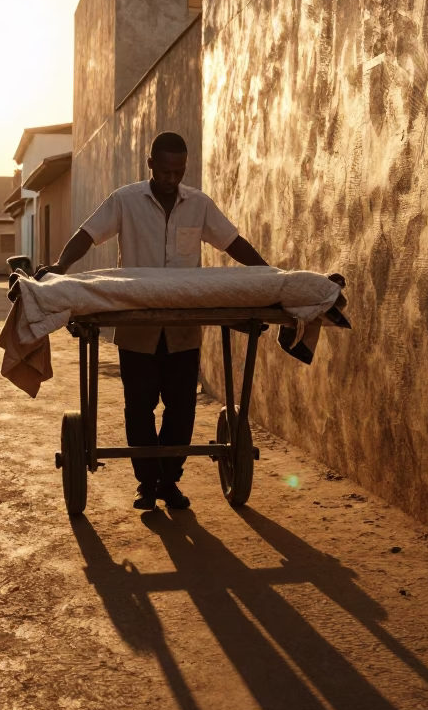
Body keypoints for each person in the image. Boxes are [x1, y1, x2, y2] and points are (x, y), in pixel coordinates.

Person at [41, 131, 268, 511]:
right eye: (164, 170)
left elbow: (231, 241)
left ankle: (169, 481)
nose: (170, 178)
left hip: (183, 332)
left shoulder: (199, 204)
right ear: (150, 165)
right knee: (139, 407)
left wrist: (267, 273)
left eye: (178, 171)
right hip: (138, 331)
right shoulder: (125, 200)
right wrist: (61, 267)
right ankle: (146, 483)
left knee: (182, 408)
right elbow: (88, 234)